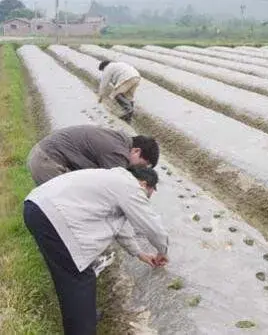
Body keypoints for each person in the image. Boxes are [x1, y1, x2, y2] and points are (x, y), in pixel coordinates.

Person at [24, 166, 170, 335]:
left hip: (36, 207)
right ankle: (83, 325)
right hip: (53, 218)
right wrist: (163, 251)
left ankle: (83, 319)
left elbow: (119, 229)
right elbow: (152, 226)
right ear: (144, 184)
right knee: (81, 280)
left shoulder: (112, 180)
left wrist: (140, 254)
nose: (147, 198)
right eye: (149, 194)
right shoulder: (130, 186)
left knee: (68, 279)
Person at [27, 124, 159, 187]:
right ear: (136, 151)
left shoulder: (117, 140)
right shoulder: (118, 152)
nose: (137, 168)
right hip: (47, 161)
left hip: (43, 155)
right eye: (141, 164)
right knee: (67, 205)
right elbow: (116, 186)